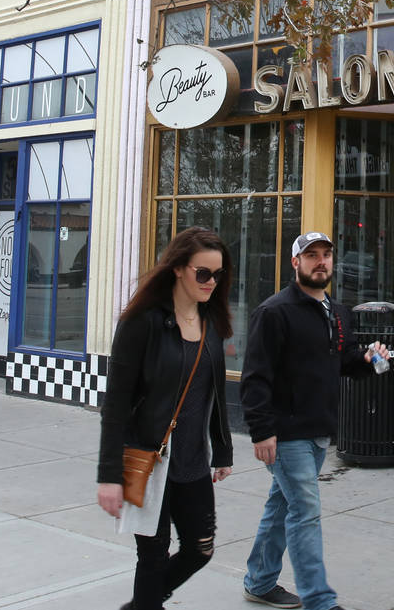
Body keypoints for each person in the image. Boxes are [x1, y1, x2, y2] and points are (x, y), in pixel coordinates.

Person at [240, 231, 389, 610]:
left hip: (320, 430)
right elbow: (256, 377)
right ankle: (319, 600)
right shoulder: (273, 312)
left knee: (282, 507)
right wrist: (262, 431)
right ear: (296, 263)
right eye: (311, 256)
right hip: (286, 433)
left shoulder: (336, 312)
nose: (320, 261)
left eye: (326, 255)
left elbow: (343, 359)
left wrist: (369, 359)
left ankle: (258, 582)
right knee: (304, 510)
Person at [97, 227, 235, 610]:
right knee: (153, 557)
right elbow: (116, 405)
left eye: (218, 274)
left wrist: (222, 449)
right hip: (149, 459)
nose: (211, 282)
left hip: (192, 462)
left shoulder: (211, 321)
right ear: (178, 268)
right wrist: (108, 475)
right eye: (203, 273)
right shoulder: (143, 322)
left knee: (200, 550)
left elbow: (214, 393)